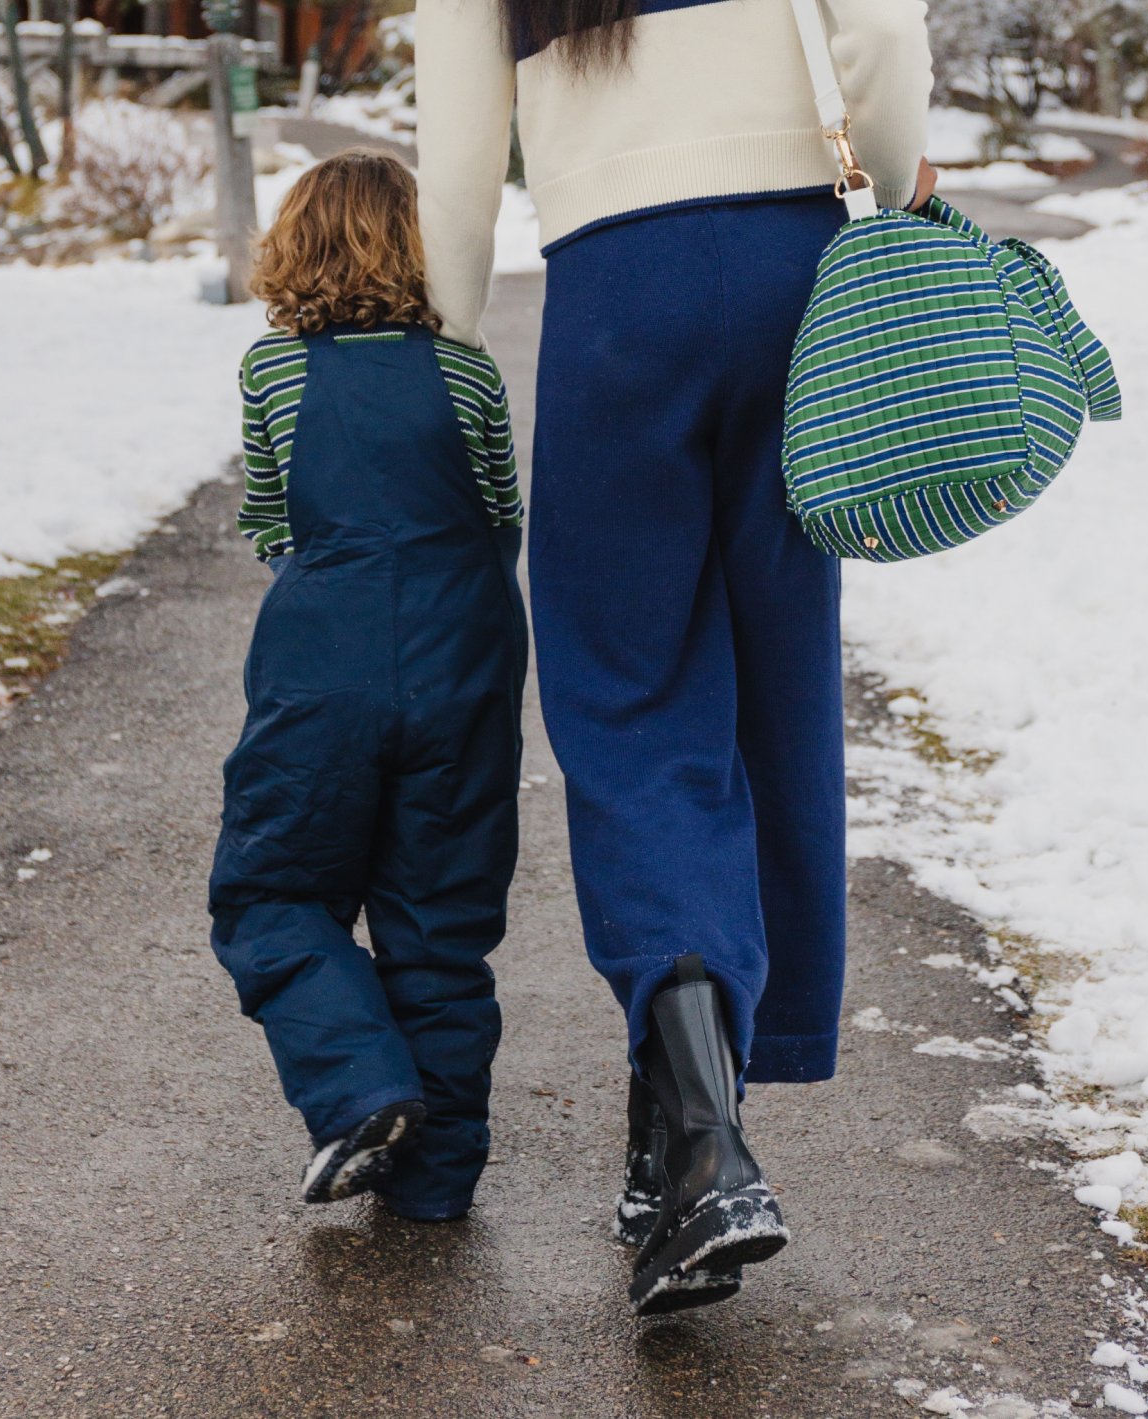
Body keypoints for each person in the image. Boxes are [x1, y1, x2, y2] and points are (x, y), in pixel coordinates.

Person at [415, 0, 935, 1312]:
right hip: (795, 265)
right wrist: (877, 168)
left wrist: (446, 351)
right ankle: (688, 1134)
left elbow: (461, 152)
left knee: (633, 698)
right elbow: (880, 26)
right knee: (775, 686)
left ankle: (697, 1135)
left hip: (615, 294)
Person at [208, 150, 528, 1224]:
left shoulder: (276, 372)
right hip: (467, 654)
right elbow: (500, 512)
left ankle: (360, 1092)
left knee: (274, 891)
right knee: (439, 923)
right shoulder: (468, 369)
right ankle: (433, 1186)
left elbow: (270, 520)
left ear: (294, 245)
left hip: (323, 662)